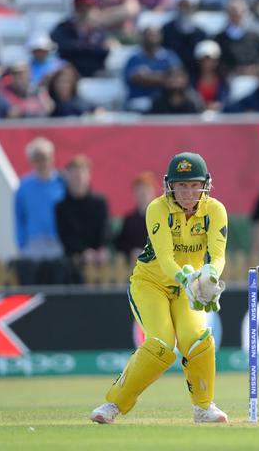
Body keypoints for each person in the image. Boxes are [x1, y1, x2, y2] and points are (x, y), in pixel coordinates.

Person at [90, 152, 229, 425]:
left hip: (185, 290)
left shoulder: (215, 210)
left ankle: (203, 407)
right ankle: (113, 404)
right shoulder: (157, 208)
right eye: (181, 185)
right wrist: (188, 278)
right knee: (161, 346)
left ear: (205, 185)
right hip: (150, 284)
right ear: (170, 186)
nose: (188, 192)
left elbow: (218, 255)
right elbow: (165, 257)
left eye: (194, 185)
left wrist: (211, 275)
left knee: (198, 340)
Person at [14, 136, 66, 259]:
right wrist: (22, 245)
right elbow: (19, 217)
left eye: (45, 158)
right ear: (30, 161)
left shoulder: (62, 183)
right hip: (33, 245)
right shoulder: (23, 187)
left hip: (58, 243)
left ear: (52, 158)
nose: (42, 163)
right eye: (37, 159)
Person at [56, 155, 111, 265]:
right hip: (72, 262)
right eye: (75, 175)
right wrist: (83, 251)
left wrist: (101, 248)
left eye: (82, 174)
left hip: (99, 262)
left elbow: (105, 229)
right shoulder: (61, 207)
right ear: (68, 177)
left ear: (88, 176)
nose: (79, 179)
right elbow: (64, 237)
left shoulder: (100, 202)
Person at [114, 171, 158, 260]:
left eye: (146, 190)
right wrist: (131, 251)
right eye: (139, 190)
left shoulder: (161, 217)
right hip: (134, 262)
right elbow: (120, 243)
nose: (143, 194)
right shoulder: (130, 219)